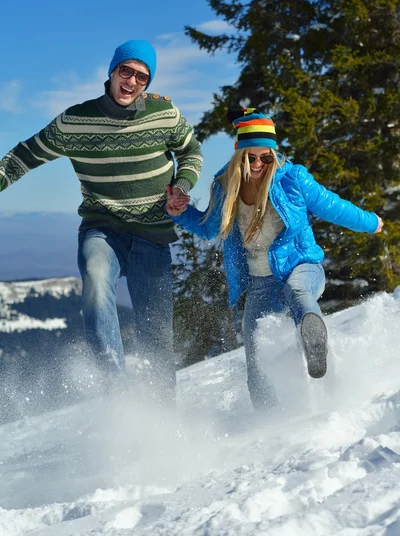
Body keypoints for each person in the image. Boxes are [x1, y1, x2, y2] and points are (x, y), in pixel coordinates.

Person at [0, 39, 202, 402]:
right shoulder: (75, 121)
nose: (132, 82)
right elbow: (22, 157)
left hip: (153, 233)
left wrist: (181, 185)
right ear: (112, 71)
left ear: (147, 84)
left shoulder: (164, 115)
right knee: (95, 282)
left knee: (156, 332)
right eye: (126, 71)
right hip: (102, 226)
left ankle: (162, 416)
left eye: (142, 77)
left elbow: (191, 151)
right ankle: (117, 396)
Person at [166, 107, 384, 411]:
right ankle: (267, 421)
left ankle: (313, 339)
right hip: (260, 283)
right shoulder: (225, 185)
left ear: (273, 155)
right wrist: (179, 212)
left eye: (265, 157)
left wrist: (370, 223)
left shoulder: (291, 179)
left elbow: (332, 206)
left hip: (302, 266)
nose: (258, 164)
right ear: (239, 154)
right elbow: (209, 228)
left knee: (298, 291)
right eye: (250, 157)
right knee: (256, 358)